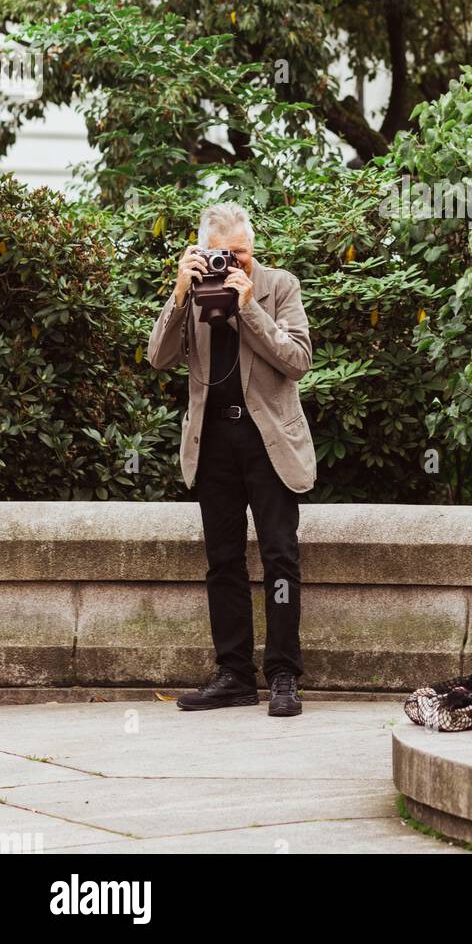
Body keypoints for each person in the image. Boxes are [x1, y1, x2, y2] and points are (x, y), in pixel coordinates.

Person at [146, 201, 316, 716]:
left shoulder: (278, 286)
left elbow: (298, 359)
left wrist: (248, 307)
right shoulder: (193, 289)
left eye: (240, 255)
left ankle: (284, 674)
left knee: (280, 559)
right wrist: (179, 294)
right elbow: (158, 358)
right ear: (202, 252)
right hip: (213, 442)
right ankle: (234, 674)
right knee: (222, 561)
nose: (232, 265)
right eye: (221, 256)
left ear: (252, 248)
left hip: (268, 443)